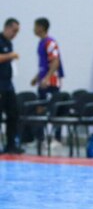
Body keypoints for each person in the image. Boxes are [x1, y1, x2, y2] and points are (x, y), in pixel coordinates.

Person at [31, 17, 64, 145]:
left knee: (54, 110)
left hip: (52, 83)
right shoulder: (41, 43)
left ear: (41, 27)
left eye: (35, 26)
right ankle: (40, 139)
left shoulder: (50, 43)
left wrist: (47, 78)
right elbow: (44, 65)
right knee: (39, 109)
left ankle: (57, 138)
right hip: (43, 82)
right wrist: (37, 77)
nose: (33, 29)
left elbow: (55, 62)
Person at [0, 18, 23, 154]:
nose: (15, 34)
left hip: (8, 85)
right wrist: (10, 56)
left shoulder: (9, 43)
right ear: (7, 28)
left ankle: (11, 145)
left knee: (13, 115)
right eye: (14, 31)